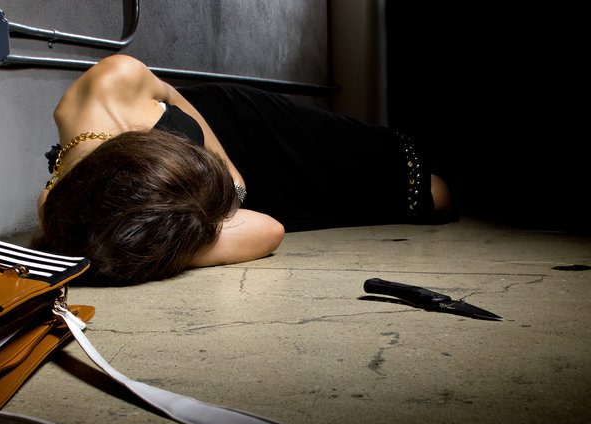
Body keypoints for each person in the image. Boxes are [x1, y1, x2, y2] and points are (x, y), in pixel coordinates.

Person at [32, 54, 452, 285]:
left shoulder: (118, 76)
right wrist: (178, 238)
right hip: (206, 200)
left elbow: (179, 103)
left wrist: (230, 179)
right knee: (424, 202)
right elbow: (266, 229)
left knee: (419, 182)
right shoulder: (69, 209)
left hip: (239, 127)